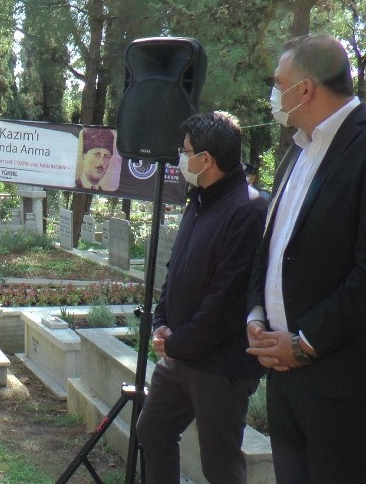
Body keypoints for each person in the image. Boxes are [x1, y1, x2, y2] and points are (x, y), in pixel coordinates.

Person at [247, 35, 366, 483]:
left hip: (341, 387)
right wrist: (257, 313)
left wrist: (305, 344)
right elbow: (272, 245)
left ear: (304, 89)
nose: (272, 94)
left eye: (277, 83)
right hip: (283, 376)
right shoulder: (297, 150)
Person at [135, 112, 267, 483]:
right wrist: (162, 322)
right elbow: (176, 269)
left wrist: (177, 343)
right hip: (180, 353)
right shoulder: (199, 200)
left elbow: (226, 300)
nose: (180, 158)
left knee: (219, 467)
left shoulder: (248, 209)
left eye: (185, 151)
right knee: (152, 431)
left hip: (220, 366)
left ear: (206, 159)